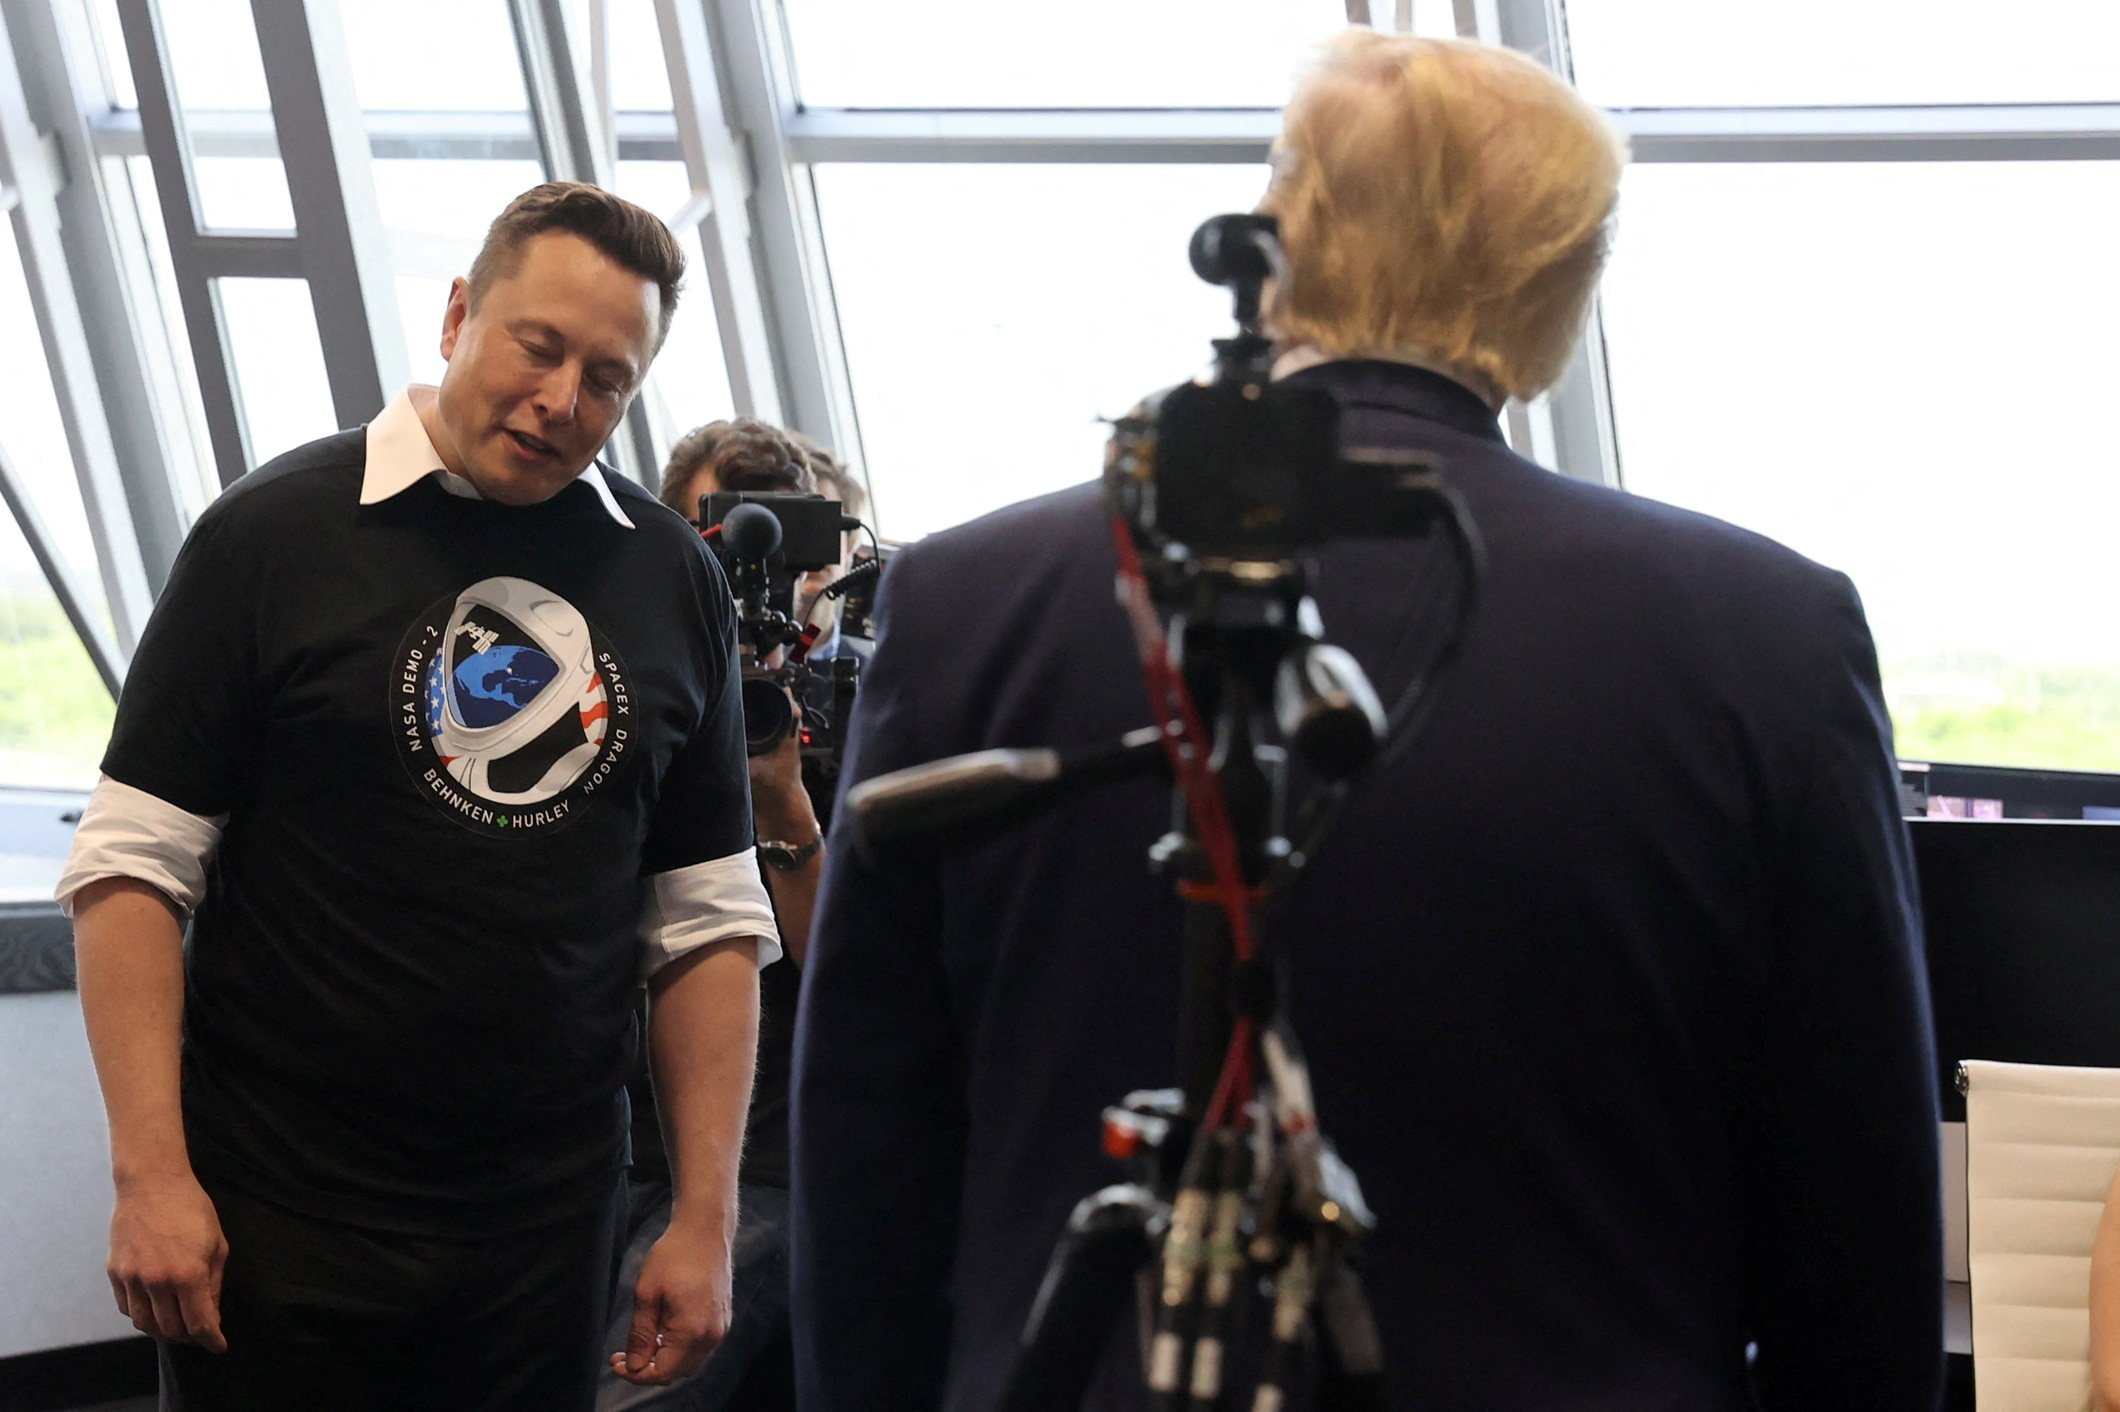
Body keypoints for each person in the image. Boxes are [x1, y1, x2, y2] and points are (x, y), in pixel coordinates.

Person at [791, 32, 1943, 1412]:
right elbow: (1858, 1241)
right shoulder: (1771, 640)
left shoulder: (968, 603)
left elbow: (865, 1179)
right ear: (1559, 285)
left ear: (1284, 238)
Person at [57, 182, 778, 1412]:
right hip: (279, 1212)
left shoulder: (671, 579)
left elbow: (706, 918)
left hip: (546, 1229)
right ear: (457, 315)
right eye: (535, 346)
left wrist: (703, 1222)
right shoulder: (272, 535)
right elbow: (131, 865)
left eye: (605, 378)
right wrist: (150, 1174)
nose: (561, 400)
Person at [596, 418, 829, 1412]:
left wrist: (782, 803)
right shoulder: (624, 692)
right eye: (718, 544)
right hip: (613, 1135)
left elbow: (853, 975)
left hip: (775, 1151)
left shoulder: (859, 699)